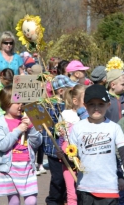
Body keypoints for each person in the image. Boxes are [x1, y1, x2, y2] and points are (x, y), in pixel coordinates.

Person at [69, 84, 124, 204]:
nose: (96, 108)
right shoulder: (77, 128)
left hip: (109, 187)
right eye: (91, 104)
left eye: (101, 104)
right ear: (85, 105)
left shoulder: (114, 127)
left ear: (108, 105)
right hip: (85, 188)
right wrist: (68, 156)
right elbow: (73, 155)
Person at [0, 85, 42, 205]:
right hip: (9, 167)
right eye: (17, 102)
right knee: (14, 201)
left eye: (22, 102)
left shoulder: (26, 119)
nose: (21, 105)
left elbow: (37, 143)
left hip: (27, 165)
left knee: (31, 200)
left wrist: (32, 127)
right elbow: (3, 145)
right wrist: (18, 130)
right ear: (6, 103)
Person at [43, 75, 77, 205]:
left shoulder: (70, 107)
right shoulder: (51, 106)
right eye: (70, 89)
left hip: (69, 150)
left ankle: (65, 200)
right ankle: (53, 201)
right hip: (54, 150)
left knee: (68, 180)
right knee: (58, 180)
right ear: (61, 91)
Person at [58, 84, 87, 205]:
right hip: (68, 154)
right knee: (71, 191)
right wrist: (60, 149)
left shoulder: (89, 115)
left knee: (85, 190)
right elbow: (60, 136)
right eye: (86, 100)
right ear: (75, 101)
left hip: (84, 155)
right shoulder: (66, 114)